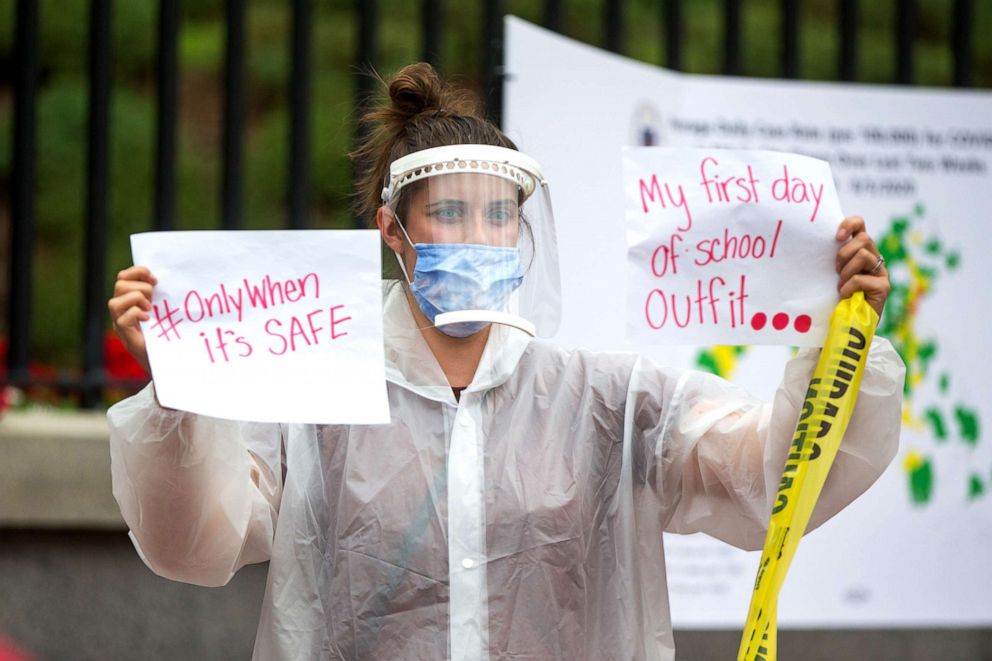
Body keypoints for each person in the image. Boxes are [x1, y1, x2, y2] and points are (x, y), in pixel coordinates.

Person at [106, 63, 904, 661]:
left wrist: (844, 348)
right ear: (395, 229)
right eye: (450, 212)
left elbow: (770, 479)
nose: (479, 235)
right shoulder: (320, 392)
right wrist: (179, 390)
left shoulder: (607, 397)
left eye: (498, 216)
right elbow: (193, 541)